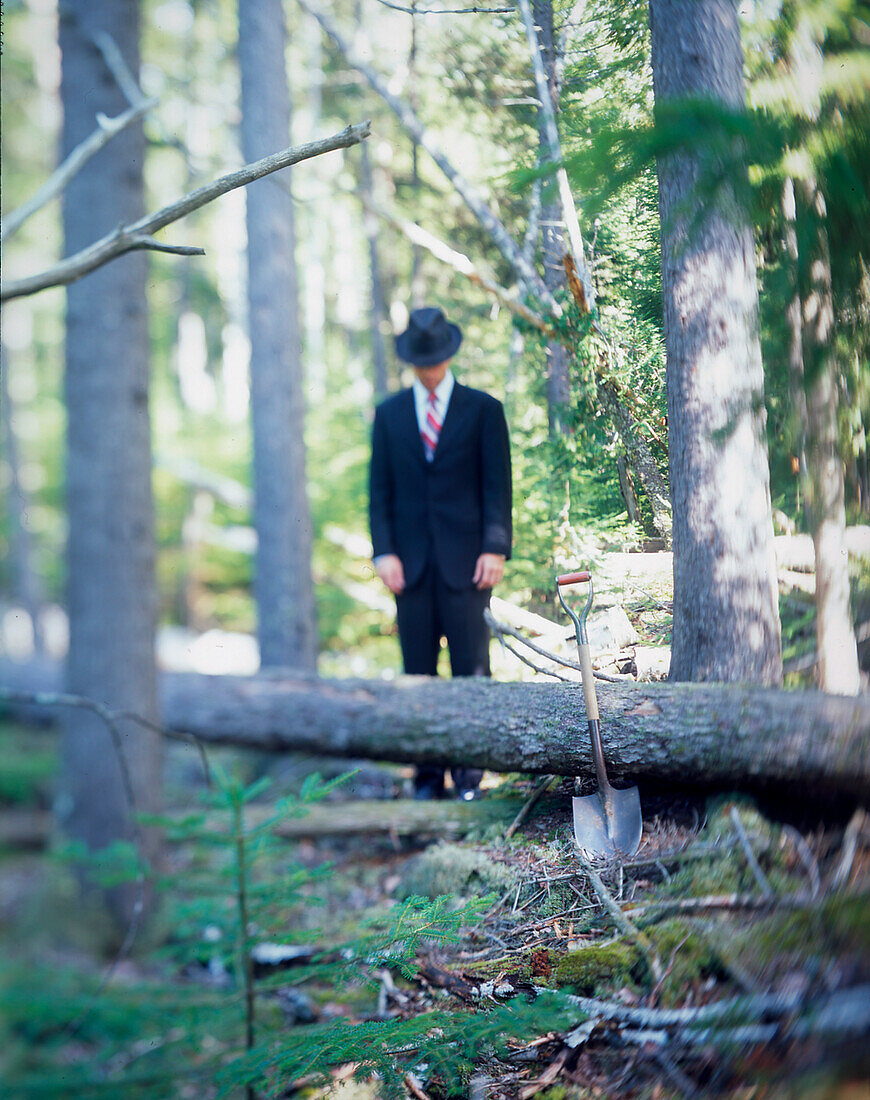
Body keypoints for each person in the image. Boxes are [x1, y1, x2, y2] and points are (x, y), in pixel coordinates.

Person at [369, 306, 512, 799]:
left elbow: (497, 487)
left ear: (448, 357)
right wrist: (383, 552)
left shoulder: (483, 410)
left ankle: (470, 778)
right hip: (409, 568)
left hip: (469, 564)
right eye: (421, 363)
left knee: (472, 670)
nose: (428, 371)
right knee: (418, 674)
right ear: (411, 362)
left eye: (436, 361)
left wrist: (495, 547)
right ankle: (427, 779)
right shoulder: (389, 415)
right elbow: (379, 490)